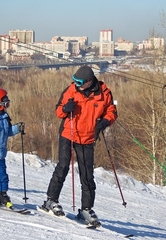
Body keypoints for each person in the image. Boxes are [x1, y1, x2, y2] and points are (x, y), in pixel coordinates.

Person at [41, 65, 118, 225]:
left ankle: (86, 209)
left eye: (80, 82)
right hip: (68, 134)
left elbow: (112, 111)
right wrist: (65, 108)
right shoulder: (71, 90)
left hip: (88, 137)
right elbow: (58, 111)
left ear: (90, 82)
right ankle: (50, 200)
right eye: (75, 81)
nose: (77, 85)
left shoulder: (104, 93)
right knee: (62, 167)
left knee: (87, 175)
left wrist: (105, 121)